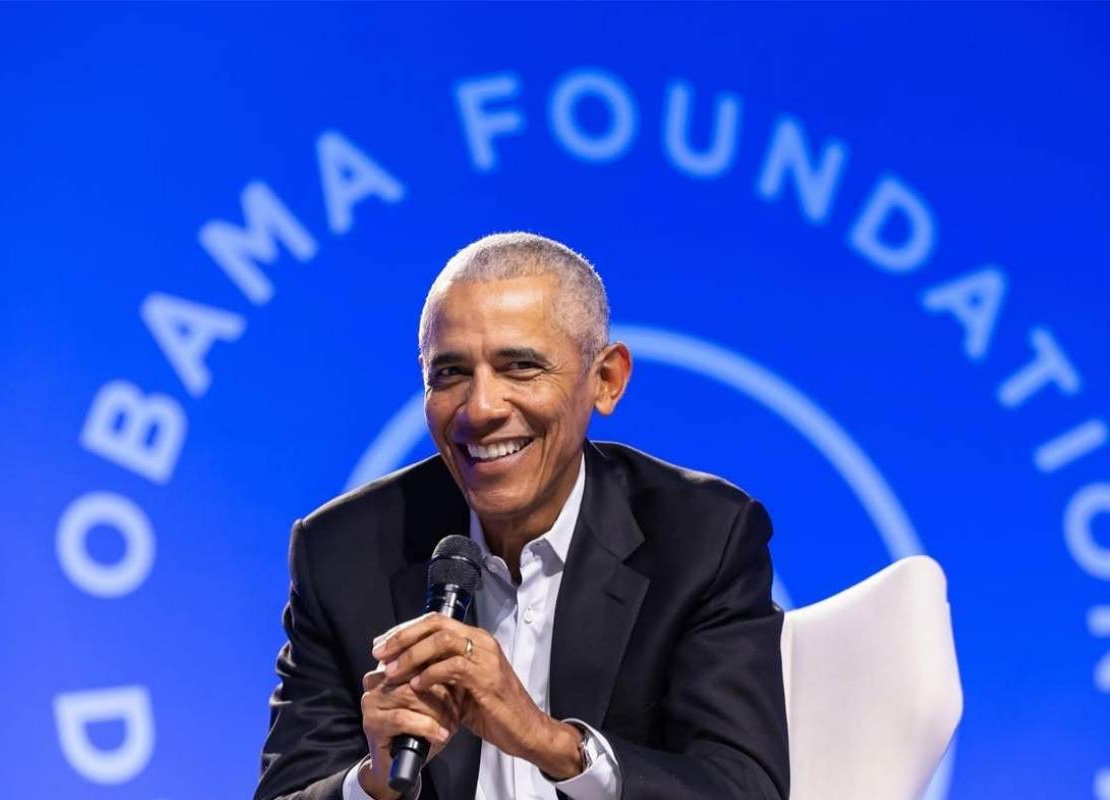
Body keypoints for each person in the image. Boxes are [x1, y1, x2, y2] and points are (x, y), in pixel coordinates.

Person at [254, 233, 789, 800]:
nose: (481, 408)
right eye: (450, 373)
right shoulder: (341, 552)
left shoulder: (703, 538)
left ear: (606, 380)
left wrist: (548, 741)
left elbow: (744, 788)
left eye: (520, 367)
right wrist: (374, 782)